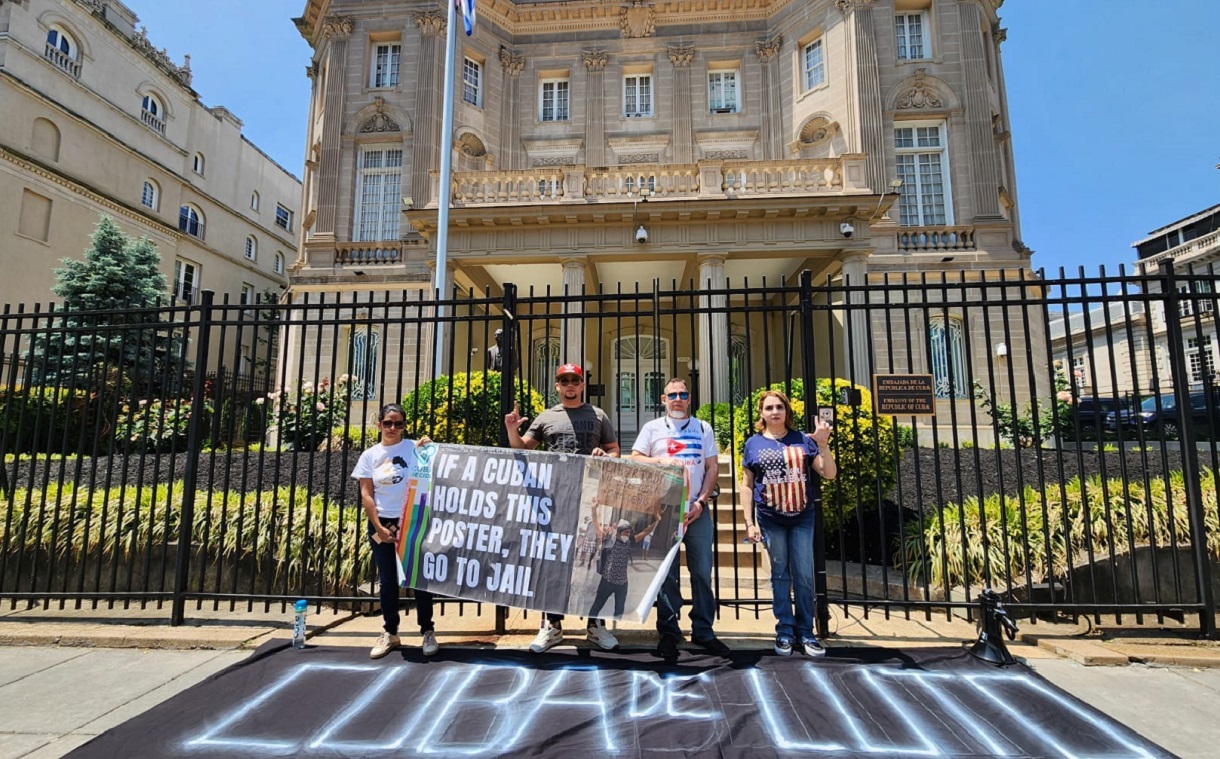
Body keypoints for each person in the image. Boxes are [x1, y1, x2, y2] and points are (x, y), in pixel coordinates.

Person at [504, 362, 621, 653]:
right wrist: (510, 429)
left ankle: (595, 626)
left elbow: (614, 450)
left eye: (575, 380)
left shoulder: (598, 415)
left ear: (582, 384)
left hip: (590, 499)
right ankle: (552, 625)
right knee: (553, 561)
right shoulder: (546, 417)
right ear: (557, 385)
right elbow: (522, 449)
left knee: (593, 562)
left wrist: (604, 455)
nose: (570, 385)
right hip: (554, 499)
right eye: (564, 380)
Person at [631, 378, 730, 658]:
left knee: (701, 572)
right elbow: (636, 458)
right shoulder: (652, 428)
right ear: (663, 399)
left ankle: (703, 630)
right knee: (667, 576)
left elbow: (711, 467)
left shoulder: (703, 427)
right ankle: (669, 631)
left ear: (689, 398)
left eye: (683, 394)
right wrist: (661, 461)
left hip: (697, 511)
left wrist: (701, 501)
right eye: (672, 394)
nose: (677, 399)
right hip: (664, 513)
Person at [740, 390, 836, 657]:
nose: (774, 412)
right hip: (770, 518)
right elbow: (747, 485)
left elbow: (828, 473)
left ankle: (805, 631)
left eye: (779, 407)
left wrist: (824, 444)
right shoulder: (753, 444)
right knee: (780, 574)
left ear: (787, 411)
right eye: (769, 407)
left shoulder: (803, 440)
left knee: (804, 574)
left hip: (802, 517)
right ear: (761, 413)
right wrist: (749, 522)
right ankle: (785, 629)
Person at [352, 403, 439, 660]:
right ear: (379, 424)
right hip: (382, 520)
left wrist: (430, 448)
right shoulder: (370, 455)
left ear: (404, 426)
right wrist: (378, 525)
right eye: (388, 422)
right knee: (388, 580)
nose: (392, 428)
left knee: (418, 578)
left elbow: (432, 467)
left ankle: (427, 630)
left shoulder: (414, 448)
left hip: (412, 519)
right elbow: (367, 495)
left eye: (398, 423)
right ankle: (390, 631)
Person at [587, 516, 659, 620]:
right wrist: (594, 509)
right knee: (597, 607)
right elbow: (597, 526)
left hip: (622, 584)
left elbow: (645, 532)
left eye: (629, 532)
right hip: (607, 581)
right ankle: (591, 626)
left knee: (619, 611)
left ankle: (616, 630)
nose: (627, 535)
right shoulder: (609, 539)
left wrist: (657, 521)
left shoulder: (630, 541)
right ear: (619, 531)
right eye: (625, 532)